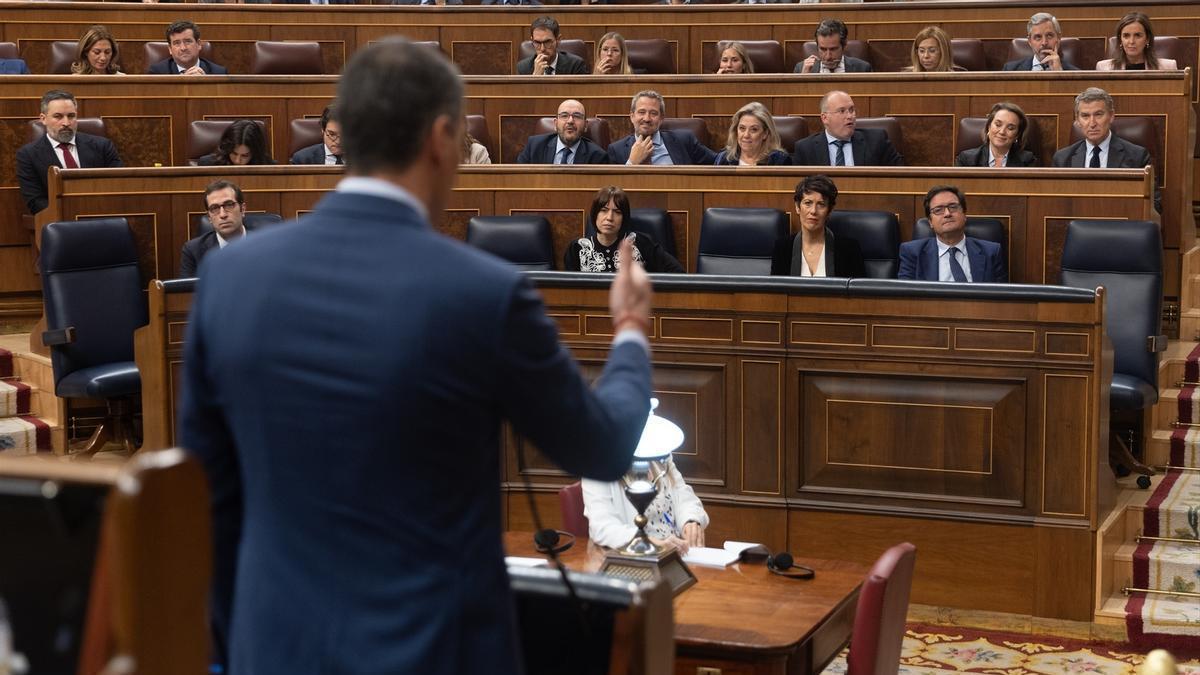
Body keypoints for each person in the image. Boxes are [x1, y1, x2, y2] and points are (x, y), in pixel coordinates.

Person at [179, 37, 653, 674]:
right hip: (434, 650)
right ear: (439, 137)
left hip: (276, 647)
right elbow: (603, 446)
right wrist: (628, 329)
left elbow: (207, 500)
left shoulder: (229, 282)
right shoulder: (486, 293)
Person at [16, 90, 122, 215]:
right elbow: (35, 201)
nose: (66, 123)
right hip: (59, 221)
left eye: (71, 116)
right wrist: (73, 214)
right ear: (43, 119)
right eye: (58, 116)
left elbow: (118, 187)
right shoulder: (28, 155)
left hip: (101, 215)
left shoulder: (102, 146)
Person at [582, 452, 708, 552]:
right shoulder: (596, 465)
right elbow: (602, 528)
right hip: (634, 564)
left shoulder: (660, 454)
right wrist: (648, 543)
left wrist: (690, 521)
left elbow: (683, 494)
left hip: (677, 556)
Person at [898, 185, 1006, 283]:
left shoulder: (991, 252)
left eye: (953, 207)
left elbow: (1001, 298)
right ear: (930, 222)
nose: (947, 214)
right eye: (938, 210)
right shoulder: (912, 253)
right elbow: (906, 297)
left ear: (964, 215)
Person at [564, 186, 683, 273]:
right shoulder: (577, 248)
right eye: (604, 211)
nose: (609, 218)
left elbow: (677, 273)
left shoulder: (640, 242)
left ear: (624, 218)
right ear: (595, 215)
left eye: (617, 212)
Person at [770, 175, 865, 277]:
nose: (813, 211)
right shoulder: (783, 248)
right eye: (808, 203)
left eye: (821, 204)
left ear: (829, 211)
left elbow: (859, 291)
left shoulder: (849, 249)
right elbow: (776, 292)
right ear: (797, 207)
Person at [792, 90, 903, 166]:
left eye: (851, 110)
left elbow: (899, 177)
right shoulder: (806, 148)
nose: (850, 116)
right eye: (842, 111)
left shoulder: (877, 140)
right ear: (825, 118)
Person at [608, 90, 717, 165]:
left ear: (661, 118)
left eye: (653, 113)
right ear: (632, 116)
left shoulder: (684, 140)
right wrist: (631, 163)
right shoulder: (616, 150)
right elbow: (613, 192)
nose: (647, 118)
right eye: (641, 112)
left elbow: (717, 161)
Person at [1052, 88, 1151, 169]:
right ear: (1077, 120)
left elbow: (1150, 193)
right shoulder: (1062, 159)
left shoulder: (1137, 156)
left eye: (1098, 115)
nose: (1092, 123)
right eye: (1085, 116)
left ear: (1111, 116)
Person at [180, 180, 248, 277]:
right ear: (209, 217)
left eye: (229, 205)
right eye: (214, 208)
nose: (223, 215)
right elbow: (188, 291)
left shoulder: (264, 245)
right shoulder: (193, 251)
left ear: (243, 209)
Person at [517, 99, 609, 164]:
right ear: (555, 124)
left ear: (585, 125)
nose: (570, 121)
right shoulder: (534, 147)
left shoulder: (597, 156)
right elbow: (520, 180)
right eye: (564, 116)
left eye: (577, 116)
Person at [955, 102, 1036, 167]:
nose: (1002, 132)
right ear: (989, 127)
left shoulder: (1027, 161)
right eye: (998, 125)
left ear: (1017, 134)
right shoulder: (966, 159)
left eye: (1010, 128)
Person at [714, 102, 791, 166]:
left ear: (765, 133)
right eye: (742, 128)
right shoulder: (724, 159)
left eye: (754, 129)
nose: (746, 135)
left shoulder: (779, 161)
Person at [1096, 12, 1177, 70]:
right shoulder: (1104, 68)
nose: (1131, 41)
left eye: (1137, 35)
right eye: (1126, 36)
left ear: (1147, 39)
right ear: (1120, 39)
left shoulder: (1168, 67)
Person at [1002, 13, 1079, 71]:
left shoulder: (1075, 73)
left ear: (1058, 38)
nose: (1044, 43)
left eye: (1049, 36)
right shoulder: (1010, 69)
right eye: (1038, 37)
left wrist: (1060, 74)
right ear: (1030, 41)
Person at [146, 21, 226, 74]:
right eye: (177, 43)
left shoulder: (219, 72)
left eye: (188, 41)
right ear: (170, 49)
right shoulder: (157, 73)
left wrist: (205, 85)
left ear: (198, 44)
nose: (183, 48)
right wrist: (181, 84)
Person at [794, 19, 872, 74]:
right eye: (823, 49)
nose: (828, 57)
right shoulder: (801, 69)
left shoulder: (862, 68)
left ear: (844, 45)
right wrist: (803, 79)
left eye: (833, 49)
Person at [515, 17, 587, 75]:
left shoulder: (575, 65)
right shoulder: (523, 68)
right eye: (537, 43)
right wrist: (535, 78)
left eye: (547, 42)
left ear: (558, 40)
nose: (542, 49)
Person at [198, 120, 275, 166]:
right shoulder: (208, 164)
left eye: (245, 156)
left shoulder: (269, 166)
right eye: (234, 153)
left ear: (255, 153)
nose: (237, 161)